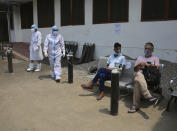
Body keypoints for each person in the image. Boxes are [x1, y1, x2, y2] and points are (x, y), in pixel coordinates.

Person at [128, 42, 159, 113]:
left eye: (149, 48)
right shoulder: (140, 58)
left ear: (152, 50)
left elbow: (157, 68)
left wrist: (147, 65)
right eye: (146, 48)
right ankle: (147, 95)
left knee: (137, 81)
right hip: (138, 75)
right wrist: (139, 64)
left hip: (149, 79)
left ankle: (135, 106)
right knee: (138, 74)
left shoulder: (155, 58)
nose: (147, 50)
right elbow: (135, 70)